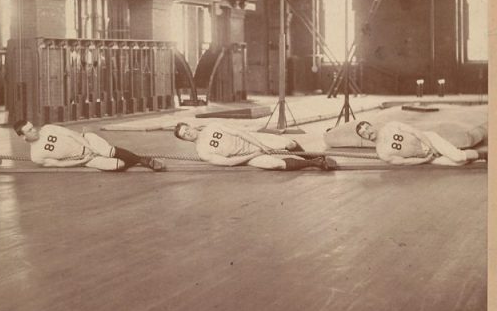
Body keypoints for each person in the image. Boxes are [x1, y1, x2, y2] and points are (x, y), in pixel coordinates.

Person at [173, 122, 337, 171]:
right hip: (246, 158)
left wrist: (259, 145)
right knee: (276, 164)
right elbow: (229, 163)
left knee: (289, 143)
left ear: (191, 126)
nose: (188, 133)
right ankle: (315, 163)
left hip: (254, 140)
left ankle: (311, 156)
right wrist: (254, 155)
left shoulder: (211, 126)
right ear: (185, 140)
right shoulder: (202, 152)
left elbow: (238, 132)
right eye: (184, 135)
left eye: (187, 129)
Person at [13, 120, 166, 171]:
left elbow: (72, 134)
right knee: (118, 165)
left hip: (88, 142)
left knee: (108, 151)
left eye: (33, 126)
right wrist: (83, 161)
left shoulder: (47, 128)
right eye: (30, 130)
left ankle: (144, 161)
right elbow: (59, 164)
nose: (35, 130)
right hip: (85, 159)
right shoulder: (36, 156)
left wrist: (90, 148)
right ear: (22, 137)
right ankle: (135, 161)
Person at [355, 120, 488, 166]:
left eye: (367, 128)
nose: (367, 132)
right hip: (425, 157)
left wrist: (431, 148)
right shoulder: (382, 153)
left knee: (457, 156)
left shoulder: (391, 126)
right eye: (363, 133)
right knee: (458, 163)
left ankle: (488, 155)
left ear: (371, 126)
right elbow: (404, 162)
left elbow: (416, 132)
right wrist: (426, 159)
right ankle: (467, 154)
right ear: (364, 138)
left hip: (429, 140)